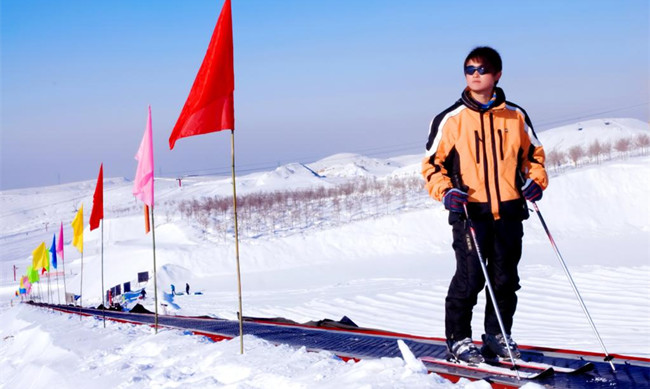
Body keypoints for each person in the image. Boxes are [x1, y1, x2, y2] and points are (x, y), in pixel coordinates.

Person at [422, 46, 547, 364]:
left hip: (508, 210)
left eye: (482, 69)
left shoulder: (515, 116)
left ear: (498, 74)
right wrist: (445, 191)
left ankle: (496, 336)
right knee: (470, 279)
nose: (475, 74)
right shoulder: (451, 119)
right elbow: (432, 166)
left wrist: (536, 181)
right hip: (470, 212)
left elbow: (534, 157)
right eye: (469, 69)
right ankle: (459, 340)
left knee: (505, 280)